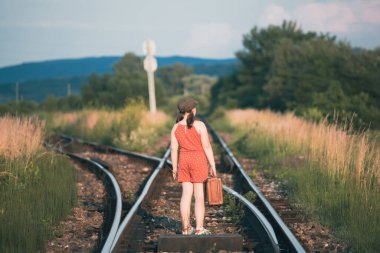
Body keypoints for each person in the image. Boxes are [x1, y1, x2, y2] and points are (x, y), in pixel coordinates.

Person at [170, 97, 217, 235]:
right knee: (199, 197)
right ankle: (199, 228)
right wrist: (212, 164)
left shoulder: (176, 127)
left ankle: (185, 228)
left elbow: (173, 149)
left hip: (183, 160)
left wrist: (174, 168)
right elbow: (207, 146)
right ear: (192, 110)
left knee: (186, 195)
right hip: (198, 160)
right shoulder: (200, 125)